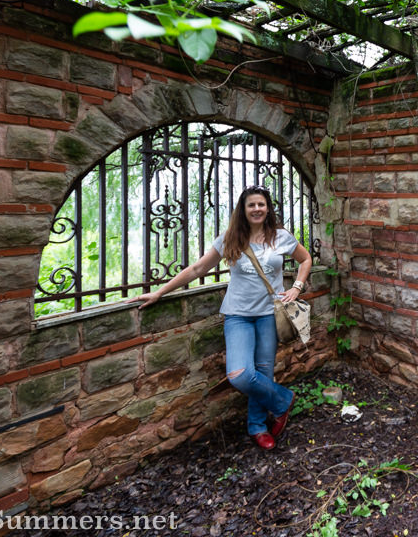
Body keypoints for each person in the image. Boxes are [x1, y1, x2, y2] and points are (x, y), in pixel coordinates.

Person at [131, 185, 312, 449]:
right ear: (243, 209)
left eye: (261, 204)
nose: (257, 209)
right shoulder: (230, 238)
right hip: (238, 314)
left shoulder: (280, 236)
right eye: (251, 205)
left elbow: (305, 259)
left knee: (263, 372)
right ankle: (283, 401)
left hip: (268, 315)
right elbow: (198, 268)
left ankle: (257, 427)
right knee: (240, 374)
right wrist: (159, 292)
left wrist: (296, 287)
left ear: (268, 208)